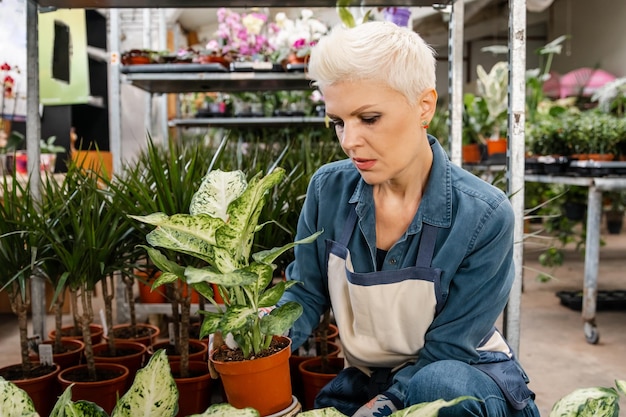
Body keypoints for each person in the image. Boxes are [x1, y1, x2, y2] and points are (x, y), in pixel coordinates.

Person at [278, 21, 540, 417]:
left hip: (466, 382)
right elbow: (305, 293)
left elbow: (449, 348)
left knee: (438, 388)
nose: (349, 141)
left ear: (424, 106)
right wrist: (259, 335)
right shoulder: (327, 191)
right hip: (372, 379)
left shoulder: (484, 215)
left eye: (368, 118)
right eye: (338, 122)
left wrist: (386, 405)